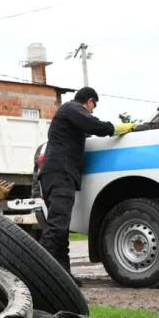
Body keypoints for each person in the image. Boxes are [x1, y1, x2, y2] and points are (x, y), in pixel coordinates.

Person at [37, 87, 135, 286]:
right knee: (57, 225)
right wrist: (118, 128)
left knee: (62, 228)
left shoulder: (70, 117)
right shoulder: (71, 108)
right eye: (93, 107)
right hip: (59, 173)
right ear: (89, 101)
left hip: (59, 173)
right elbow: (95, 126)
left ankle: (63, 277)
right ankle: (38, 273)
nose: (92, 111)